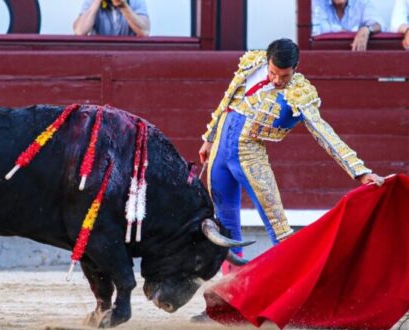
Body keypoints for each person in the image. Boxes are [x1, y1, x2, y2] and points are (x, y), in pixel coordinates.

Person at [191, 38, 385, 323]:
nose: (277, 80)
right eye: (273, 73)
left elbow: (324, 133)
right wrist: (209, 138)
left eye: (285, 75)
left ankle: (294, 304)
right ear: (267, 61)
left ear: (296, 68)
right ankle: (229, 304)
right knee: (225, 226)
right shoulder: (251, 63)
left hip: (251, 155)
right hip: (220, 149)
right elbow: (227, 100)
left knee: (280, 230)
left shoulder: (300, 93)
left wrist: (359, 170)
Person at [312, 0, 383, 51]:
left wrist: (367, 29)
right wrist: (352, 33)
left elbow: (378, 23)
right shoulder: (317, 3)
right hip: (326, 54)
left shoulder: (362, 2)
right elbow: (321, 29)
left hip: (356, 58)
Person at [73, 0, 150, 36]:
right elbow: (79, 31)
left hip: (128, 58)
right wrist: (96, 2)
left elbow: (145, 31)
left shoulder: (136, 1)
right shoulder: (90, 2)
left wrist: (124, 6)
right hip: (100, 57)